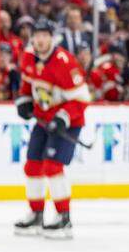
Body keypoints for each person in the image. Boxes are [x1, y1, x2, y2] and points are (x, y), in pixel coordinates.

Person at [13, 17, 90, 239]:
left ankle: (64, 219)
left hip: (68, 123)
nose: (39, 40)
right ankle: (36, 215)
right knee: (33, 166)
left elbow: (81, 99)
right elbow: (27, 81)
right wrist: (24, 100)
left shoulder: (66, 62)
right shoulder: (28, 56)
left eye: (44, 35)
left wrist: (63, 117)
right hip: (43, 119)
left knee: (53, 167)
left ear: (52, 38)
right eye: (36, 35)